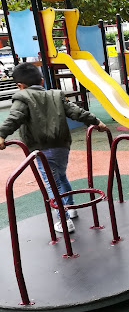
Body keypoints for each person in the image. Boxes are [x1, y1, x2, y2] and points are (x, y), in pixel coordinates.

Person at [0, 62, 109, 233]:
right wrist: (96, 122)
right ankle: (71, 208)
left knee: (53, 184)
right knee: (61, 177)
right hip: (62, 146)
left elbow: (14, 118)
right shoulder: (56, 95)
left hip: (41, 148)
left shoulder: (22, 98)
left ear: (20, 86)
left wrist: (1, 135)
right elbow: (77, 112)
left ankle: (64, 220)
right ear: (42, 81)